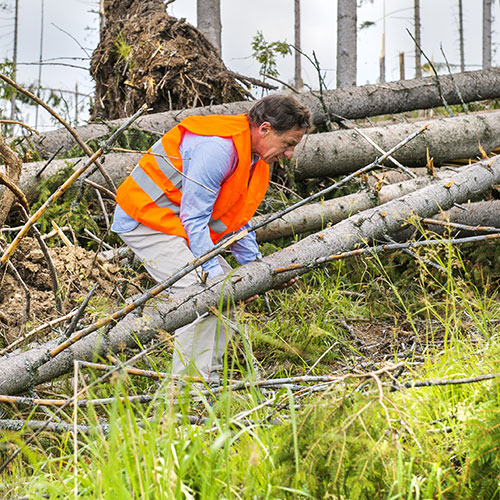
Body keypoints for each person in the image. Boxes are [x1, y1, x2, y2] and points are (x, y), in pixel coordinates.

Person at [111, 93, 312, 382]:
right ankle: (186, 390)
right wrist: (213, 276)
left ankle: (207, 377)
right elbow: (194, 219)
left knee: (229, 292)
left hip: (175, 224)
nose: (290, 154)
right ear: (265, 129)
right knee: (204, 294)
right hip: (145, 220)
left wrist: (257, 269)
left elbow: (233, 220)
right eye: (289, 144)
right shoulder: (218, 149)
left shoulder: (254, 158)